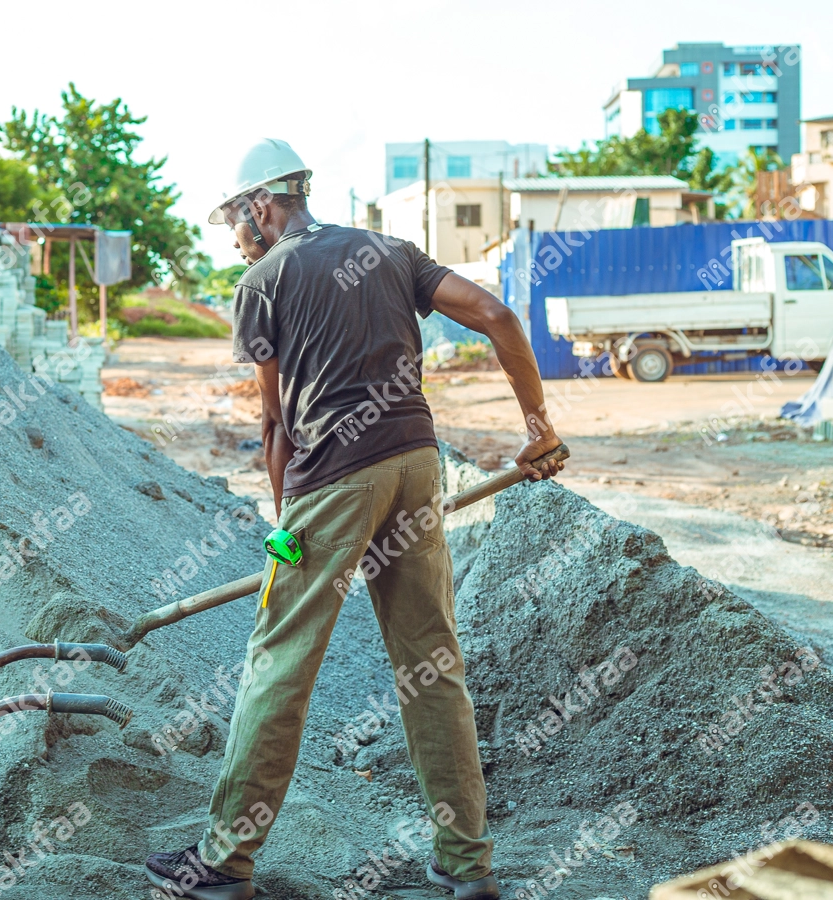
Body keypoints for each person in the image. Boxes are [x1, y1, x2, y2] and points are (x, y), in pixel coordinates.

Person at [145, 139, 564, 900]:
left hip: (330, 486)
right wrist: (537, 427)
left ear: (261, 206)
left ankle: (224, 862)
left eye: (237, 223)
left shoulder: (263, 280)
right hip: (415, 463)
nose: (237, 240)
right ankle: (468, 866)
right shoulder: (390, 251)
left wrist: (285, 529)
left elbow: (274, 428)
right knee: (433, 665)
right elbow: (497, 315)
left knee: (280, 664)